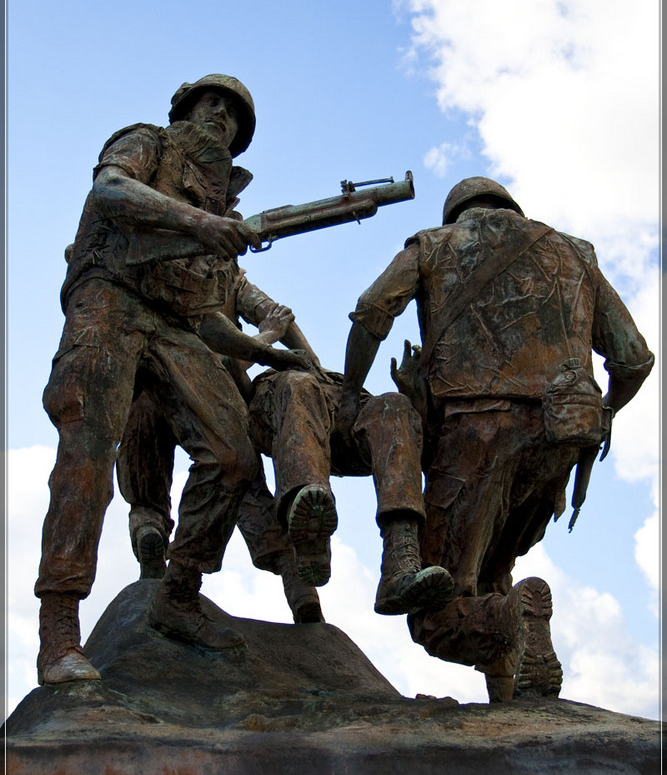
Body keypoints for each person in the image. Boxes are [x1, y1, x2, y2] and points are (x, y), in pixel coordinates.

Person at [336, 176, 654, 701]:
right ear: (510, 207)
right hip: (566, 437)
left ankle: (515, 620)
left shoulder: (433, 245)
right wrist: (605, 413)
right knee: (489, 572)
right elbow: (634, 360)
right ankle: (513, 695)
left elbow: (372, 312)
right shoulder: (574, 253)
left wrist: (350, 394)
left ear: (455, 213)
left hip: (477, 432)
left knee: (434, 613)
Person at [36, 74, 307, 685]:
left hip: (177, 325)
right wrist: (197, 222)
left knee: (234, 455)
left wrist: (269, 351)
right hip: (109, 297)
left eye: (235, 116)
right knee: (87, 451)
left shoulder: (223, 205)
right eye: (212, 105)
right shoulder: (148, 142)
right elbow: (109, 188)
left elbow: (210, 316)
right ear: (185, 108)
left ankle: (179, 593)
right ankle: (59, 629)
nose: (222, 118)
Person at [117, 283, 325, 624]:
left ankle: (148, 529)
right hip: (210, 388)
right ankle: (297, 583)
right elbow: (275, 320)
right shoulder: (225, 281)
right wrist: (294, 352)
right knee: (245, 485)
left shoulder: (220, 278)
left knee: (151, 467)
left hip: (158, 390)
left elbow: (275, 319)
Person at [249, 367, 455, 618]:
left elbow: (307, 355)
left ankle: (400, 563)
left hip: (334, 397)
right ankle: (311, 534)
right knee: (298, 385)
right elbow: (230, 364)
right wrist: (271, 339)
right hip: (280, 403)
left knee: (395, 405)